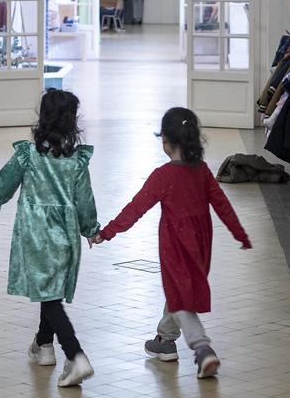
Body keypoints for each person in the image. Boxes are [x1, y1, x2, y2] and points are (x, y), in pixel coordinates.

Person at [92, 107, 252, 378]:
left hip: (175, 246)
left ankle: (202, 349)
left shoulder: (162, 176)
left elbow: (135, 209)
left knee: (180, 298)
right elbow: (223, 206)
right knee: (180, 289)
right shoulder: (201, 171)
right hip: (202, 244)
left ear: (165, 140)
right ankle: (165, 341)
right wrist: (240, 234)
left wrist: (106, 232)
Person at [0, 89, 101, 387]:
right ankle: (44, 346)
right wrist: (91, 228)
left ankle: (75, 355)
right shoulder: (76, 161)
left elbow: (4, 183)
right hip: (66, 233)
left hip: (36, 234)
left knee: (49, 295)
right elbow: (85, 199)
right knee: (52, 290)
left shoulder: (28, 155)